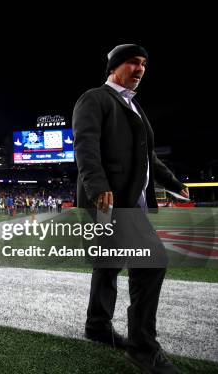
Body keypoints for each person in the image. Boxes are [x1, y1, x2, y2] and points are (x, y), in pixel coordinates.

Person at [73, 44, 189, 374]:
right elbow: (86, 144)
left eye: (144, 64)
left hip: (130, 200)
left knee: (108, 264)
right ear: (114, 67)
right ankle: (142, 347)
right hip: (110, 201)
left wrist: (172, 181)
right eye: (133, 63)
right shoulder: (95, 98)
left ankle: (97, 326)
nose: (140, 69)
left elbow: (147, 156)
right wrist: (98, 187)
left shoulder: (133, 106)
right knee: (152, 263)